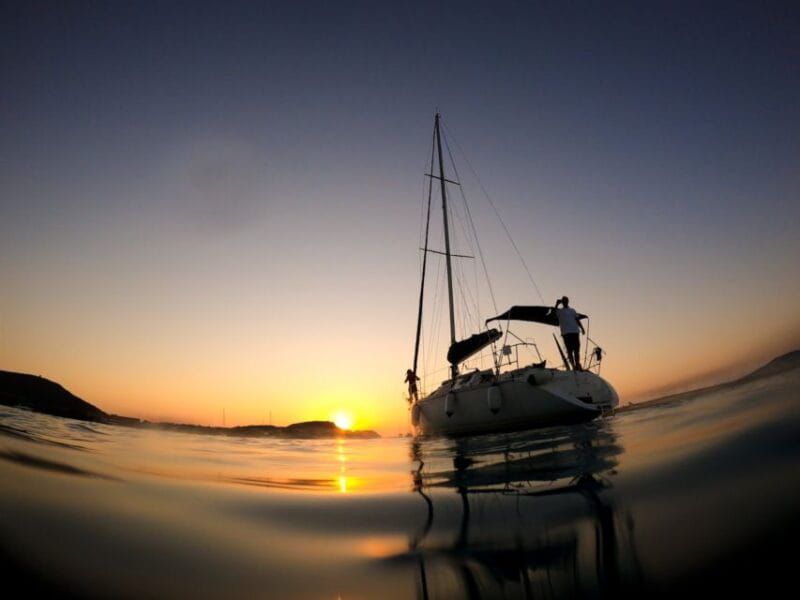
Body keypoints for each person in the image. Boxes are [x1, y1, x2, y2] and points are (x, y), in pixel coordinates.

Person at [554, 296, 585, 370]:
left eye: (566, 300)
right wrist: (557, 304)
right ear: (562, 302)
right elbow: (553, 313)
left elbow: (577, 320)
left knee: (577, 349)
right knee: (569, 350)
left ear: (568, 301)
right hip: (566, 333)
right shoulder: (559, 311)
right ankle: (573, 366)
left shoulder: (572, 310)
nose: (565, 302)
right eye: (563, 301)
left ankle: (577, 364)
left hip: (575, 331)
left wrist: (582, 328)